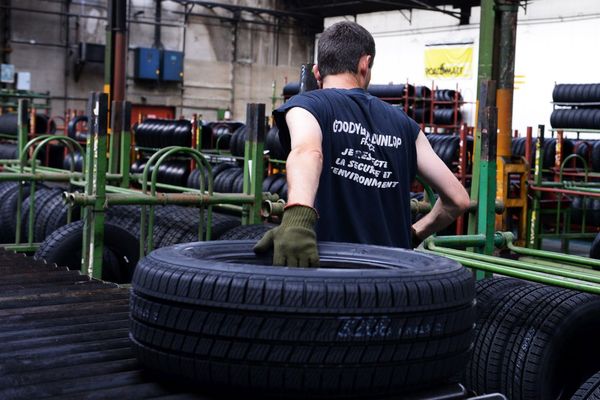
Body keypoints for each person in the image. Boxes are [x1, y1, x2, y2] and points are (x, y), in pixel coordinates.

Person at [254, 21, 470, 267]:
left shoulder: (306, 106)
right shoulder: (406, 125)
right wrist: (415, 233)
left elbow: (307, 151)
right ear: (364, 64)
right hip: (393, 281)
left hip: (326, 279)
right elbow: (458, 200)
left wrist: (296, 220)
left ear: (317, 71)